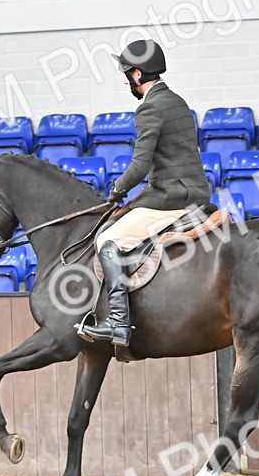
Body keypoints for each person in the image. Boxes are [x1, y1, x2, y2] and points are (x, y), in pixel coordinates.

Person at [78, 39, 210, 348]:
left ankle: (118, 322)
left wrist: (117, 189)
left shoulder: (149, 107)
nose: (126, 82)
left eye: (127, 75)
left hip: (171, 197)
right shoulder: (177, 101)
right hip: (195, 191)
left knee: (107, 240)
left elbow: (140, 165)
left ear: (138, 75)